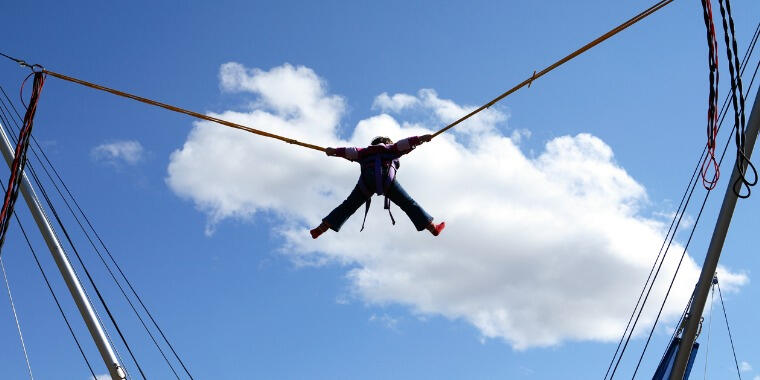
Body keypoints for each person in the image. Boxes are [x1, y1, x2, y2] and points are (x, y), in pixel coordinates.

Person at [310, 134, 446, 239]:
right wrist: (421, 138)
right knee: (408, 204)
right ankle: (432, 228)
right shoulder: (390, 149)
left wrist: (333, 151)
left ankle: (322, 228)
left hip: (366, 183)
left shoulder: (364, 152)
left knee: (348, 206)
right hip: (387, 180)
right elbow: (405, 143)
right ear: (387, 142)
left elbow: (349, 151)